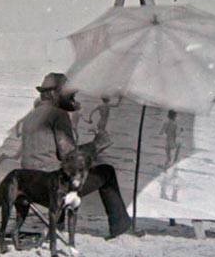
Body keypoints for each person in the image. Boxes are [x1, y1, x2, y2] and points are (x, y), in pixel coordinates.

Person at [18, 72, 132, 239]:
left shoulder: (30, 117)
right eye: (68, 92)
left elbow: (46, 155)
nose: (72, 95)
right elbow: (69, 156)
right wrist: (97, 144)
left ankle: (58, 224)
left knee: (58, 171)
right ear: (52, 93)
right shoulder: (58, 114)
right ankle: (121, 229)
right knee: (106, 172)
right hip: (51, 186)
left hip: (31, 185)